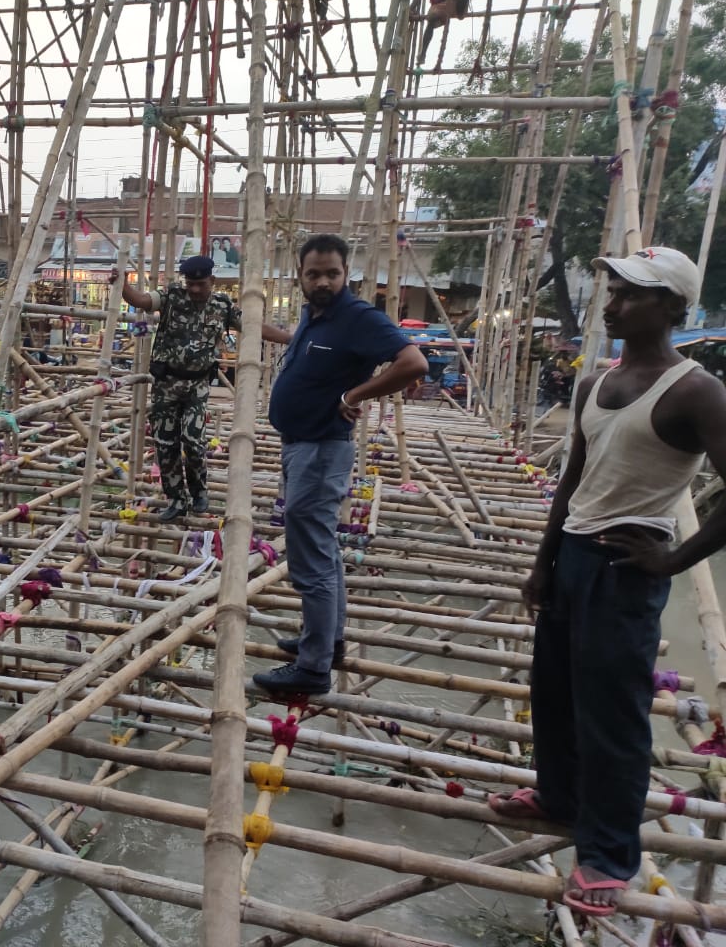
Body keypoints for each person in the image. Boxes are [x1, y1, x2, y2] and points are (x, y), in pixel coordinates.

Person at [487, 246, 726, 916]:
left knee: (613, 715)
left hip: (627, 565)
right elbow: (572, 482)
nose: (613, 304)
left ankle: (609, 855)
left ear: (673, 308)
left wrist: (673, 560)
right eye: (612, 290)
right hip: (573, 555)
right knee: (556, 691)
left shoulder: (695, 391)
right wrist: (543, 563)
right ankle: (560, 797)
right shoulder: (594, 384)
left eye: (630, 294)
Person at [253, 233, 428, 697]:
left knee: (310, 559)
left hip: (321, 449)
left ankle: (312, 670)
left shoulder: (358, 317)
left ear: (346, 273)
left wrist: (355, 395)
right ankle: (325, 643)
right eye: (314, 274)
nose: (324, 281)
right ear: (301, 277)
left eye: (332, 273)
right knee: (323, 552)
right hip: (302, 447)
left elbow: (413, 363)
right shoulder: (314, 315)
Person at [113, 255, 291, 521]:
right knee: (165, 443)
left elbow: (255, 327)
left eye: (200, 284)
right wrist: (123, 284)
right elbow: (142, 302)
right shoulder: (172, 296)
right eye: (191, 284)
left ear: (212, 281)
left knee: (193, 440)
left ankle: (199, 491)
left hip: (197, 384)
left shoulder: (222, 306)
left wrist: (291, 338)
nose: (194, 289)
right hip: (167, 384)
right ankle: (176, 499)